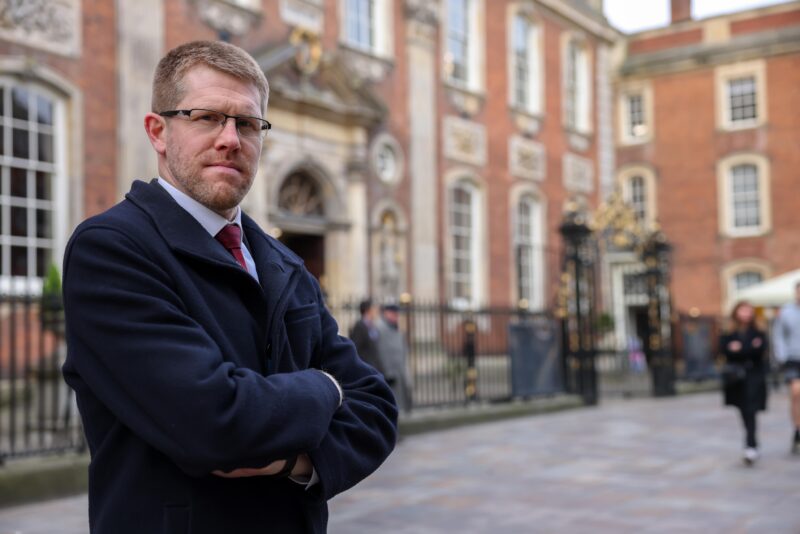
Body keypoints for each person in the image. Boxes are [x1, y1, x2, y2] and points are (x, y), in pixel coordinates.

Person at [61, 40, 397, 534]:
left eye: (246, 123)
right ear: (158, 131)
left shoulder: (283, 261)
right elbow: (216, 424)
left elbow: (377, 406)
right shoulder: (113, 249)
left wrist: (288, 463)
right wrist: (327, 387)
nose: (230, 139)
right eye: (206, 117)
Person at [719, 301, 768, 465]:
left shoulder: (758, 331)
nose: (746, 314)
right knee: (743, 410)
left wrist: (740, 349)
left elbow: (759, 351)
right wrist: (747, 348)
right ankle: (751, 442)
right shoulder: (729, 331)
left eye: (748, 311)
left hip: (754, 376)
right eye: (743, 310)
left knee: (751, 409)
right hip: (736, 378)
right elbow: (724, 349)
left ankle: (751, 444)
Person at [772, 281, 800, 454]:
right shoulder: (786, 312)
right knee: (796, 393)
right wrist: (781, 356)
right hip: (793, 358)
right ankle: (798, 429)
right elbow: (778, 336)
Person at [376, 304, 413, 413]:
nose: (396, 316)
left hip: (400, 372)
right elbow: (379, 352)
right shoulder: (379, 328)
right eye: (394, 314)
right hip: (388, 374)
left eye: (397, 314)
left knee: (400, 405)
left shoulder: (397, 328)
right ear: (386, 313)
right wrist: (386, 372)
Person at [349, 299, 385, 374]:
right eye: (374, 308)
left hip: (374, 368)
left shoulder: (372, 326)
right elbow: (356, 348)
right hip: (366, 369)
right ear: (368, 310)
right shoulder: (360, 326)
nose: (377, 311)